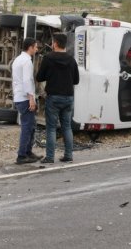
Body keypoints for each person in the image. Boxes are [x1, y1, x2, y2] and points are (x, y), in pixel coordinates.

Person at [36, 33, 80, 164]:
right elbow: (76, 80)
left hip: (54, 98)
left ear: (55, 43)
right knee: (67, 127)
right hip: (68, 98)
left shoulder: (48, 58)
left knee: (51, 128)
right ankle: (68, 155)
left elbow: (39, 77)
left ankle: (50, 157)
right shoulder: (72, 60)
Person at [11, 38, 43, 164]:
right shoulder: (27, 61)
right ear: (30, 47)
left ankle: (28, 152)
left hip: (20, 96)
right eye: (35, 47)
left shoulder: (18, 59)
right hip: (25, 98)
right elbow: (27, 81)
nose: (37, 49)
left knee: (31, 126)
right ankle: (22, 155)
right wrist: (31, 99)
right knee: (27, 127)